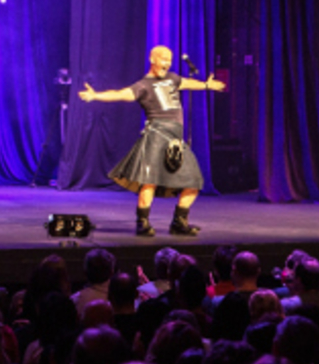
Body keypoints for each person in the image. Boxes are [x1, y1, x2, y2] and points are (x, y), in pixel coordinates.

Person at [79, 45, 226, 236]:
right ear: (152, 59)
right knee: (149, 182)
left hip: (175, 139)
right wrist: (95, 96)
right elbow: (120, 94)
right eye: (163, 59)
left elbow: (188, 83)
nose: (167, 63)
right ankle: (143, 223)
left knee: (193, 182)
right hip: (156, 136)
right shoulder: (143, 85)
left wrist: (207, 85)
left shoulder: (172, 79)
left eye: (170, 60)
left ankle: (179, 222)